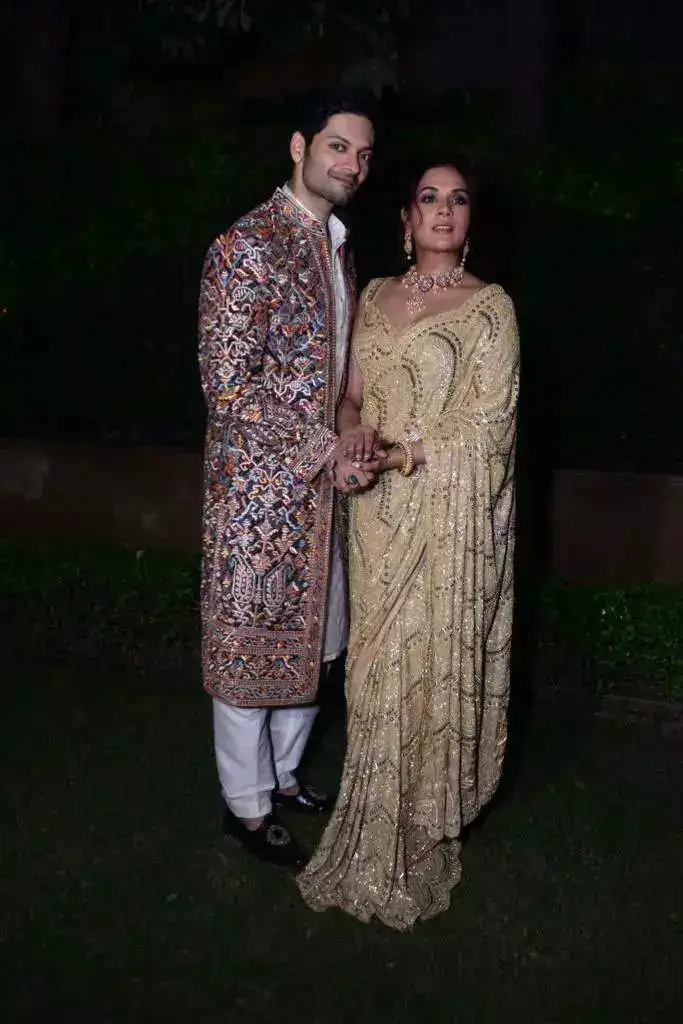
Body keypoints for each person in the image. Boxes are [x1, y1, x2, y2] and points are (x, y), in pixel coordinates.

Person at [297, 158, 520, 928]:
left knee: (421, 664)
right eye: (428, 197)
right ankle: (367, 815)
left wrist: (401, 454)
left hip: (440, 519)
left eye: (459, 198)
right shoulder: (371, 298)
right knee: (369, 672)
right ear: (404, 218)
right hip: (375, 520)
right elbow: (351, 393)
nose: (443, 209)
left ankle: (417, 826)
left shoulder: (490, 311)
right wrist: (354, 436)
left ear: (470, 220)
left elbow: (488, 432)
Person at [197, 93, 377, 869]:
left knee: (318, 644)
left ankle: (283, 777)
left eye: (364, 156)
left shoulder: (338, 246)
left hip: (322, 497)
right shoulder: (246, 245)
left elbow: (336, 375)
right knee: (248, 653)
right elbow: (229, 387)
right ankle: (244, 808)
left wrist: (350, 436)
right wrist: (321, 449)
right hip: (256, 498)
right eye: (338, 147)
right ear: (299, 146)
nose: (351, 166)